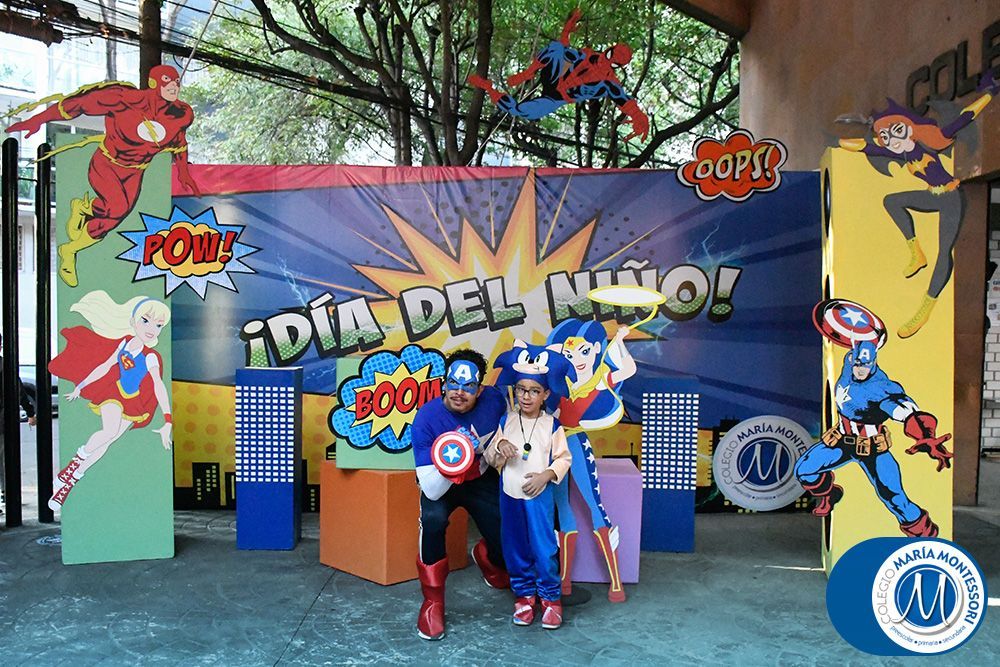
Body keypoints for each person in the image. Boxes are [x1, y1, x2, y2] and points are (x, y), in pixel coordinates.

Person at [5, 64, 201, 287]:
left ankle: (71, 245)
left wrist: (184, 171)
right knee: (117, 208)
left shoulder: (181, 114)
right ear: (153, 82)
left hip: (136, 172)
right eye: (167, 80)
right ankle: (82, 220)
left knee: (110, 221)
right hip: (107, 164)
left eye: (177, 81)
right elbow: (77, 104)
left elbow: (179, 143)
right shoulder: (124, 99)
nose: (174, 85)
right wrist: (38, 120)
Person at [838, 74, 998, 338]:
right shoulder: (899, 153)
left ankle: (925, 308)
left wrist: (990, 94)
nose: (892, 139)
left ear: (909, 128)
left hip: (951, 196)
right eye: (886, 137)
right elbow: (865, 148)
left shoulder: (931, 142)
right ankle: (916, 252)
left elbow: (966, 117)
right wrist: (844, 140)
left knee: (944, 253)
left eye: (896, 131)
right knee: (892, 200)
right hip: (933, 196)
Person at [794, 335, 952, 537]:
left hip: (872, 449)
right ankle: (830, 495)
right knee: (805, 470)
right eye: (857, 364)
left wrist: (926, 436)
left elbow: (906, 410)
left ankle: (926, 534)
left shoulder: (882, 389)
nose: (860, 369)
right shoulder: (848, 361)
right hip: (841, 441)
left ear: (874, 362)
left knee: (894, 497)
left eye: (866, 365)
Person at [410, 349, 510, 641]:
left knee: (507, 530)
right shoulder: (426, 419)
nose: (459, 392)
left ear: (480, 389)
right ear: (444, 383)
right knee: (433, 521)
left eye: (468, 386)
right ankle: (432, 602)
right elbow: (431, 490)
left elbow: (510, 427)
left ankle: (488, 558)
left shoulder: (494, 401)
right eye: (453, 383)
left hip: (480, 477)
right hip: (440, 482)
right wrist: (454, 457)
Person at [46, 291, 173, 510]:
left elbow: (158, 386)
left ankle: (69, 483)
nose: (151, 328)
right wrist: (81, 385)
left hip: (133, 402)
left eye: (159, 325)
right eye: (146, 320)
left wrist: (168, 420)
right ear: (133, 321)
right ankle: (72, 466)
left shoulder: (151, 356)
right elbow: (105, 366)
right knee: (109, 431)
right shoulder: (124, 343)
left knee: (107, 441)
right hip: (113, 394)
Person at [546, 319, 635, 602]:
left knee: (595, 506)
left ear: (596, 349)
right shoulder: (560, 383)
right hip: (555, 446)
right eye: (569, 354)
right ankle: (564, 581)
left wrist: (619, 342)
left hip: (576, 443)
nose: (576, 359)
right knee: (563, 509)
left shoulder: (600, 379)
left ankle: (616, 582)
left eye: (583, 351)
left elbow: (628, 370)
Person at [467, 8, 649, 142]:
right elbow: (564, 51)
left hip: (557, 98)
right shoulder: (587, 54)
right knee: (556, 48)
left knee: (521, 110)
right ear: (608, 50)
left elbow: (623, 99)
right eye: (609, 56)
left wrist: (639, 117)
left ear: (618, 67)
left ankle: (488, 87)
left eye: (614, 63)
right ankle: (527, 74)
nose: (607, 62)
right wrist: (566, 31)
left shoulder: (609, 83)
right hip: (555, 77)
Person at [484, 362, 571, 629]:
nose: (526, 396)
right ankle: (524, 596)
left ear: (545, 394)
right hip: (509, 495)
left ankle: (550, 598)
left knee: (544, 547)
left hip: (539, 496)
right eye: (521, 389)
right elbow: (490, 457)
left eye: (534, 391)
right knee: (515, 546)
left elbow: (564, 458)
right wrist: (500, 445)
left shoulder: (552, 425)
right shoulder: (506, 421)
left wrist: (546, 475)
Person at [0, 332, 37, 516]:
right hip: (3, 421)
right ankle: (7, 493)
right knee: (4, 459)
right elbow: (19, 392)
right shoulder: (6, 365)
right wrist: (30, 413)